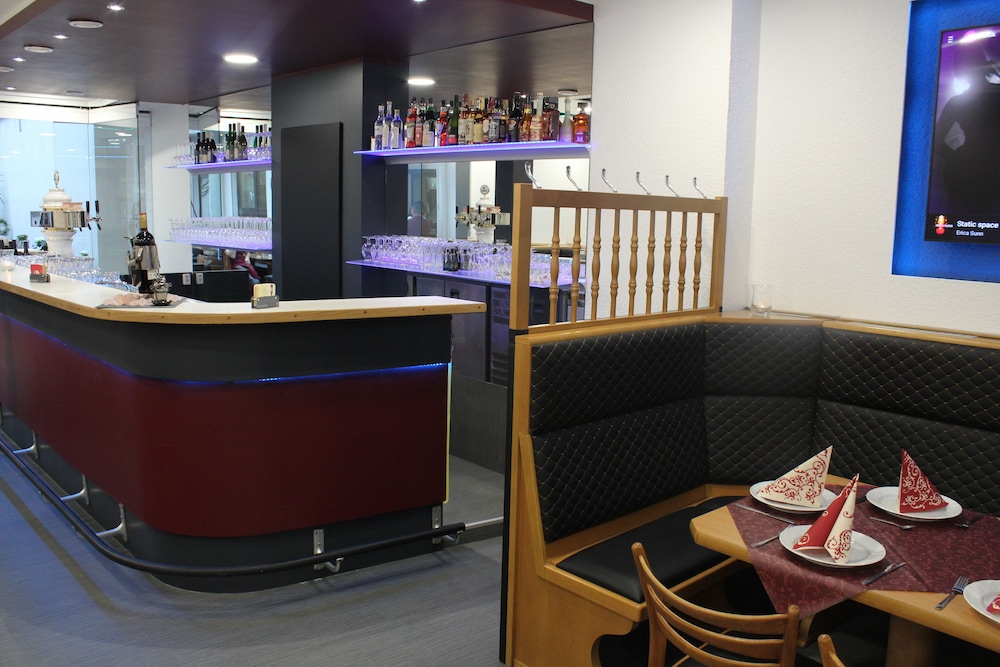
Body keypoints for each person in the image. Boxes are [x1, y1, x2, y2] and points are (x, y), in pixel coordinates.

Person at [932, 30, 1000, 218]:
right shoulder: (959, 102)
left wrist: (959, 156)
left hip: (968, 178)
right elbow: (938, 144)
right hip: (970, 179)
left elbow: (938, 144)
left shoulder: (959, 102)